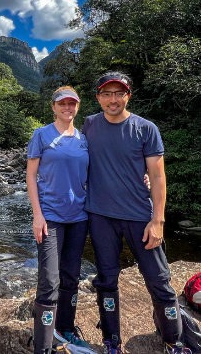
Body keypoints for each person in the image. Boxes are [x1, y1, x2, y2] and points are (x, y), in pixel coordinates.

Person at [82, 72, 191, 354]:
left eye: (119, 93)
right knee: (106, 280)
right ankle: (111, 341)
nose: (113, 99)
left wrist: (158, 220)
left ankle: (174, 341)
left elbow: (157, 176)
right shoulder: (90, 124)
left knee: (159, 280)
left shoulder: (145, 128)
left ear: (128, 95)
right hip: (101, 216)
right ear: (98, 97)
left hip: (140, 217)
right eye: (107, 94)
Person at [27, 86, 91, 354]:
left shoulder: (84, 138)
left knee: (71, 276)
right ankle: (42, 344)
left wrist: (142, 177)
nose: (68, 108)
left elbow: (103, 169)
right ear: (53, 106)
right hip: (50, 217)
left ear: (77, 106)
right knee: (50, 280)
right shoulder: (41, 135)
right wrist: (37, 215)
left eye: (72, 104)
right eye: (62, 103)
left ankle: (65, 329)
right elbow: (31, 176)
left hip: (79, 217)